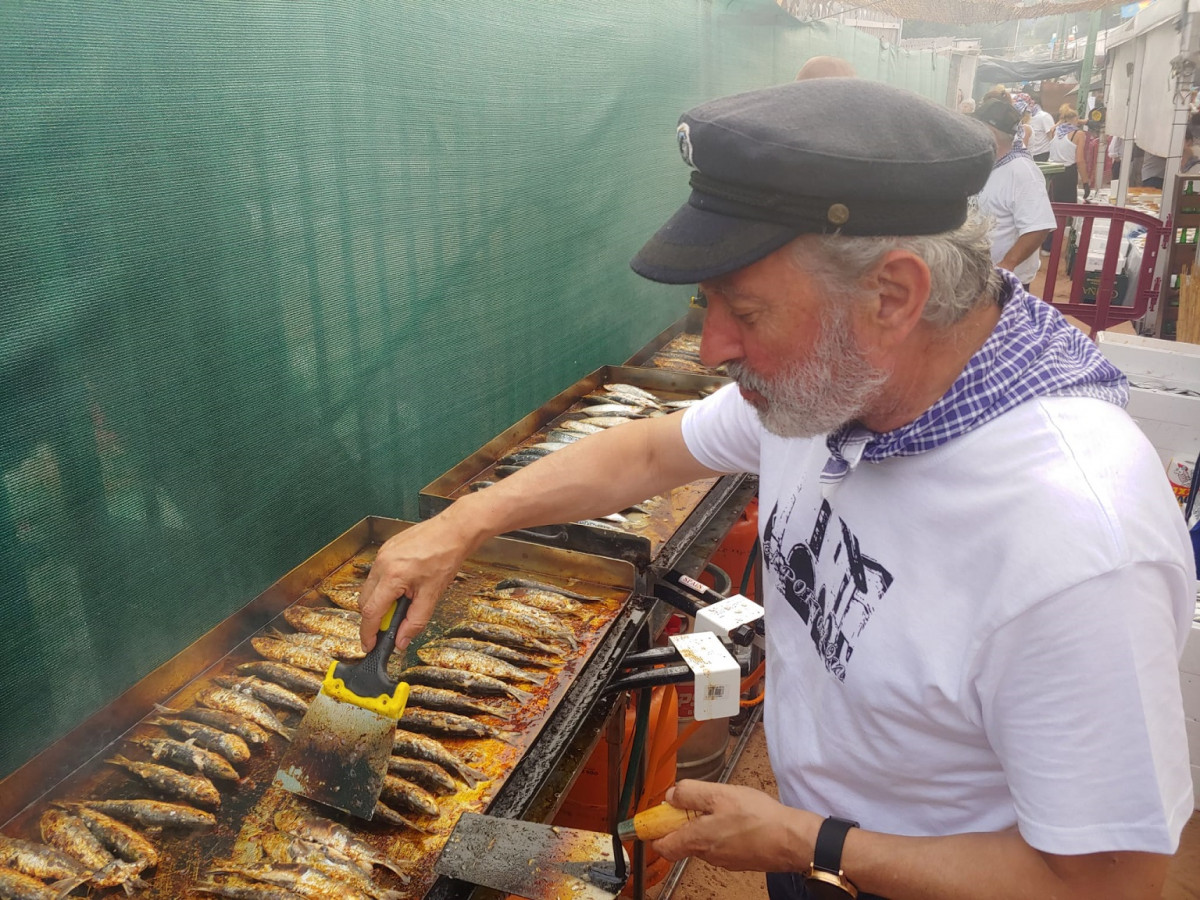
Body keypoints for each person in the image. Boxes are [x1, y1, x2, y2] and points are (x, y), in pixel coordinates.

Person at [357, 79, 1194, 900]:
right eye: (704, 303)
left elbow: (1109, 882)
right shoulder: (837, 387)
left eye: (746, 313)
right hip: (812, 850)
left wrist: (809, 841)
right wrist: (464, 521)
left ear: (894, 295)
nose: (713, 346)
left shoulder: (1080, 539)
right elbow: (648, 452)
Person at [972, 98, 1057, 290]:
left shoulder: (1022, 172)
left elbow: (1038, 227)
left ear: (989, 133)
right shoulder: (985, 164)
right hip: (975, 278)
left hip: (1001, 283)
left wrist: (1007, 265)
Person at [1047, 105, 1087, 202]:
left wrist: (1062, 121)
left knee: (1054, 206)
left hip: (1052, 172)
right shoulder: (1078, 134)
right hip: (1068, 173)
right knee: (1068, 208)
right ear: (1076, 119)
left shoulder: (1054, 132)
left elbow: (1053, 127)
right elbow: (1080, 160)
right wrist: (1086, 182)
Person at [1026, 94, 1056, 161]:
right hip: (1031, 155)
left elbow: (1052, 136)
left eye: (1029, 103)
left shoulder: (1044, 117)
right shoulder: (1027, 117)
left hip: (1043, 154)